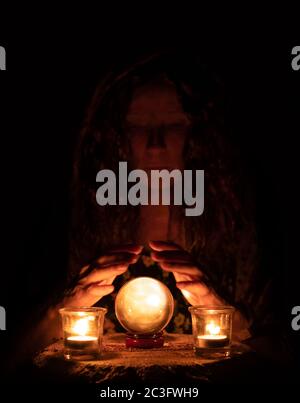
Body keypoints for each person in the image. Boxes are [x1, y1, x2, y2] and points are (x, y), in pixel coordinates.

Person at [11, 50, 283, 364]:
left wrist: (223, 314)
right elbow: (11, 358)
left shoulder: (237, 230)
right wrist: (58, 312)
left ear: (199, 137)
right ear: (115, 139)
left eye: (173, 126)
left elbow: (278, 360)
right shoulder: (75, 225)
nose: (155, 145)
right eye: (138, 127)